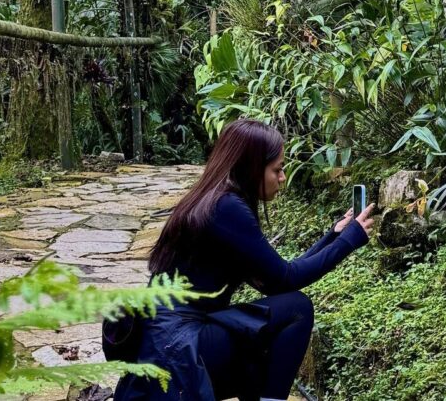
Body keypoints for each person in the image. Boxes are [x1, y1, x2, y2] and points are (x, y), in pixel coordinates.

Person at [113, 119, 375, 401]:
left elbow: (273, 280)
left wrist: (333, 237)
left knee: (259, 340)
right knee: (297, 309)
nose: (283, 177)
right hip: (176, 348)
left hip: (168, 342)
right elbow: (286, 279)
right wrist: (348, 241)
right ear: (251, 167)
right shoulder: (225, 207)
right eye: (277, 169)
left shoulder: (216, 200)